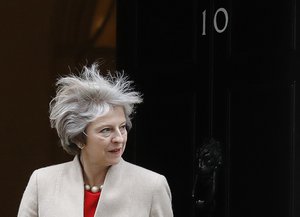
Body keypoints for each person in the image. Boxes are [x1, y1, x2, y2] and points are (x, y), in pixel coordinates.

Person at [17, 62, 174, 217]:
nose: (119, 138)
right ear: (79, 138)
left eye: (122, 127)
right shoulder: (42, 182)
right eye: (106, 130)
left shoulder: (152, 186)